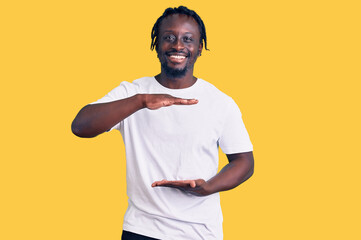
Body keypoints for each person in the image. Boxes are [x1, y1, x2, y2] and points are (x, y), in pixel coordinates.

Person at [71, 6, 254, 240]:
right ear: (156, 45)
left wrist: (208, 187)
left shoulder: (220, 102)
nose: (178, 45)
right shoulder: (133, 92)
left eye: (188, 39)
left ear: (199, 48)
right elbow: (81, 126)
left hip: (199, 232)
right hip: (141, 229)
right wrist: (142, 101)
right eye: (169, 37)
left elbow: (245, 162)